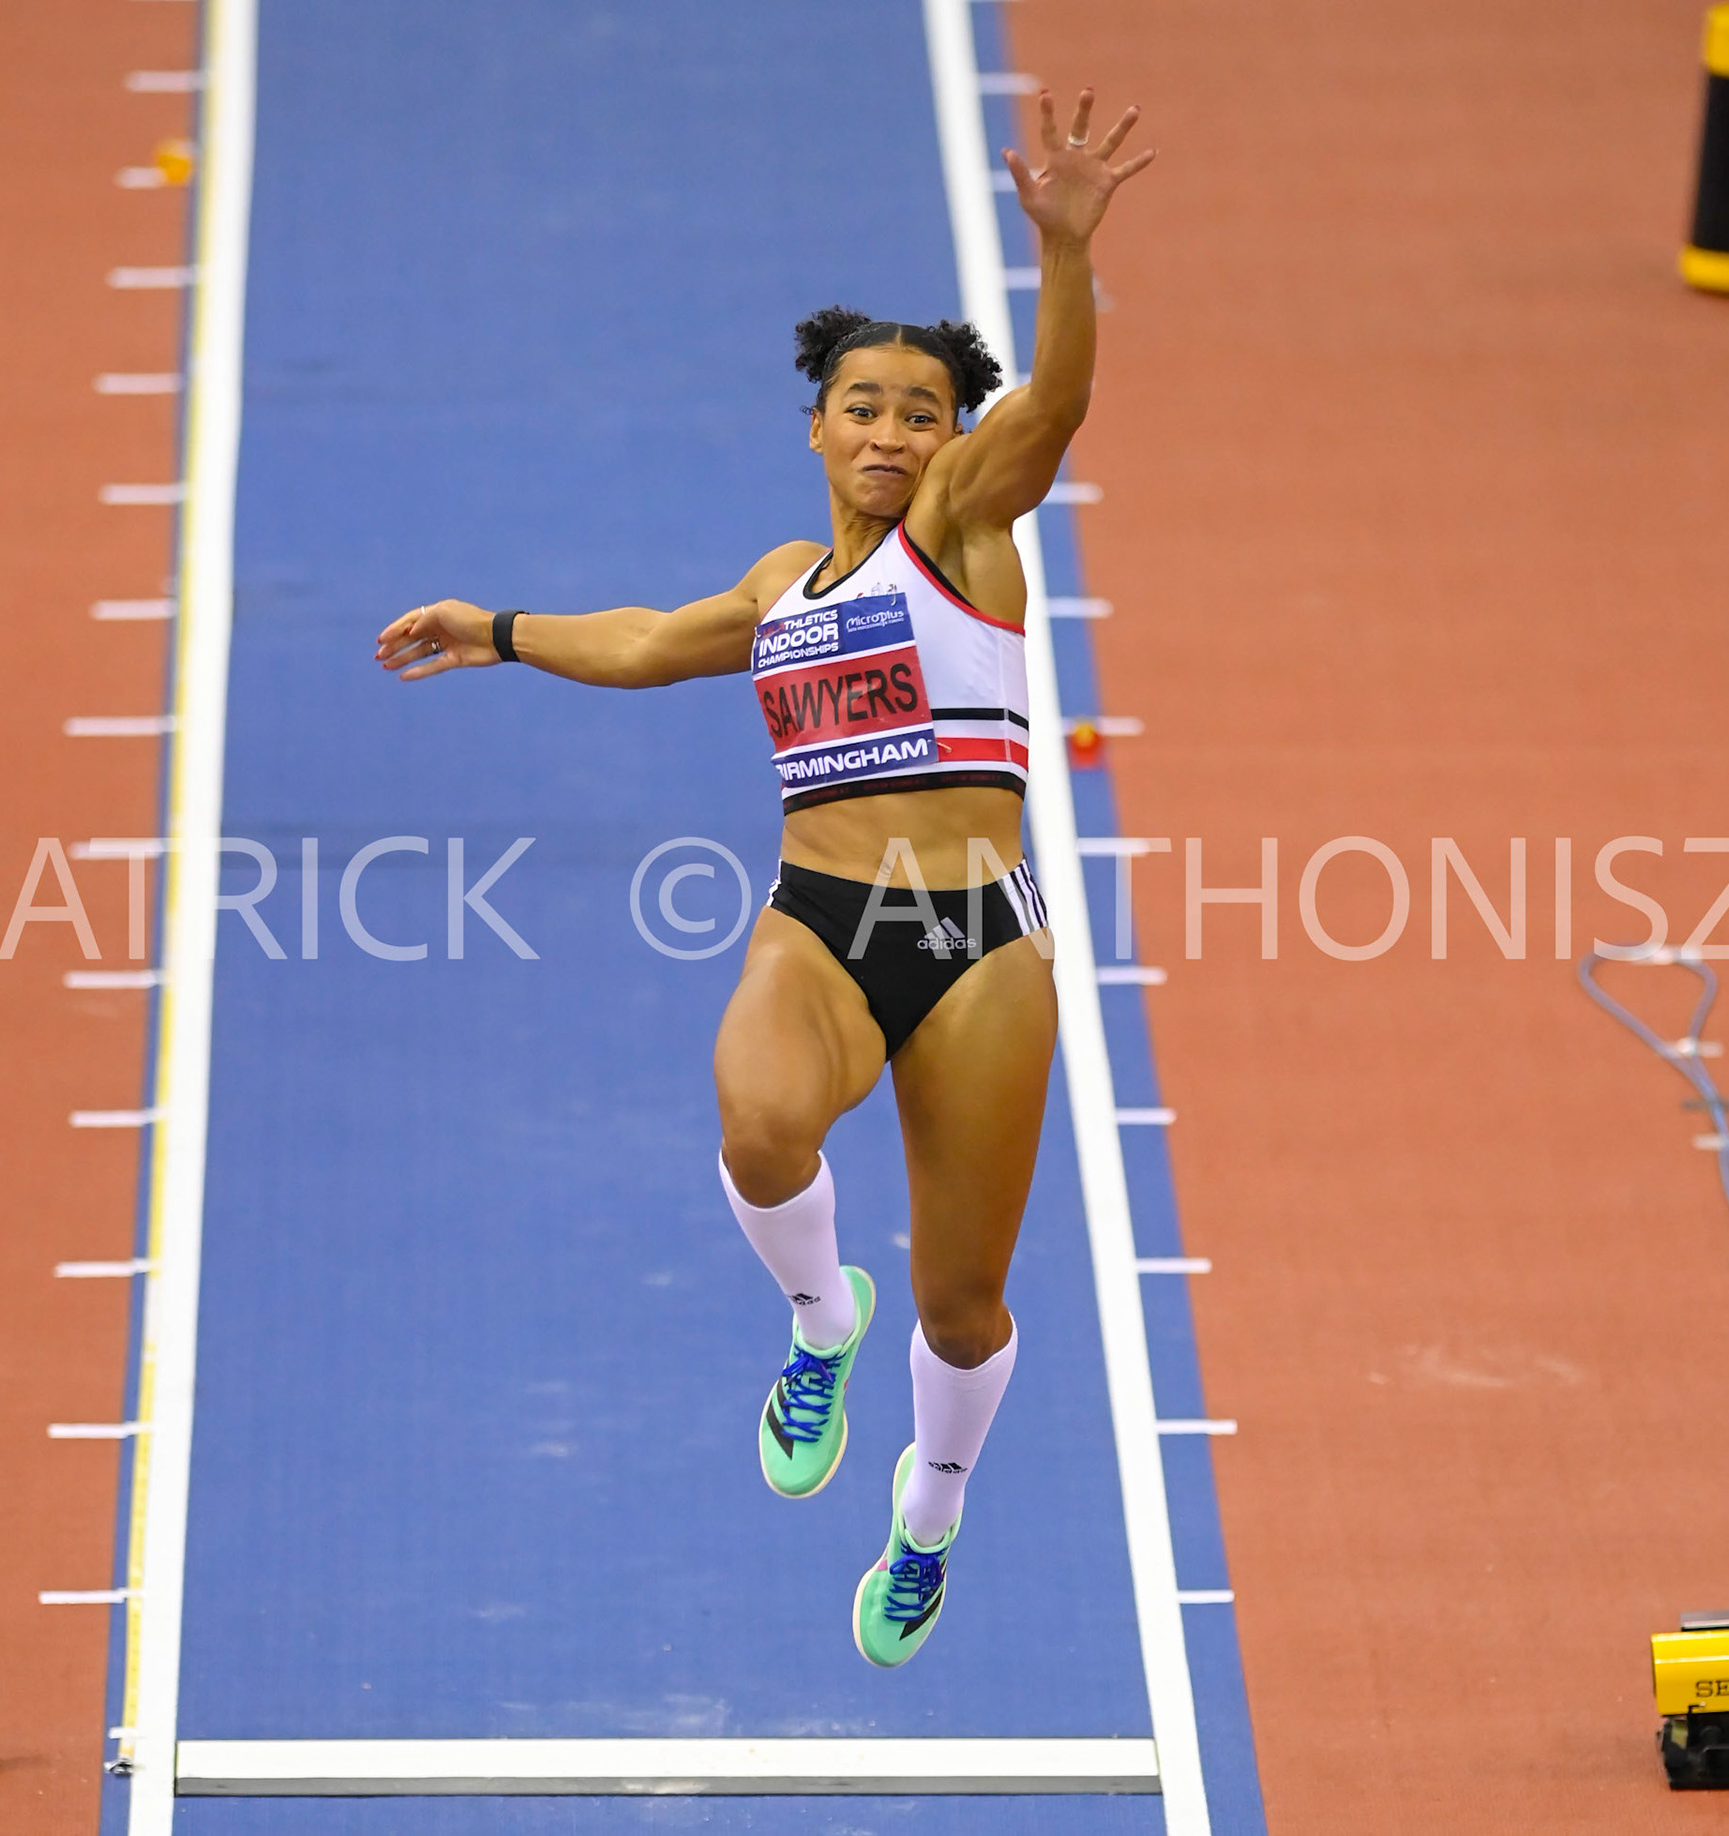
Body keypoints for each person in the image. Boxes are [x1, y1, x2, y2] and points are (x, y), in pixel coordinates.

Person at [376, 88, 1152, 1667]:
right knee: (761, 1121)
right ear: (816, 426)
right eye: (860, 405)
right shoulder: (780, 587)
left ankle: (926, 1517)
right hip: (820, 923)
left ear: (951, 437)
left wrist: (1060, 253)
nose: (889, 431)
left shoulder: (967, 532)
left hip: (980, 949)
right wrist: (497, 629)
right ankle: (817, 1328)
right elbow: (658, 642)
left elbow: (1054, 407)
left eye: (920, 410)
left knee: (963, 1308)